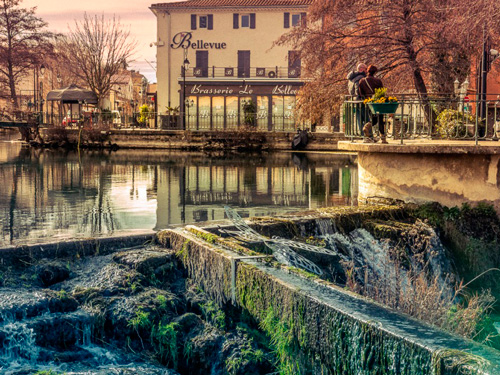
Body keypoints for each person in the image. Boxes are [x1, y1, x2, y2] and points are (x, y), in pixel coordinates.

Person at [359, 65, 388, 143]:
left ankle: (367, 126)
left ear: (367, 71)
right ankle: (383, 138)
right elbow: (382, 92)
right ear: (375, 72)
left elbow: (361, 93)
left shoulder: (362, 81)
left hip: (368, 102)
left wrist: (366, 99)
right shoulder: (378, 81)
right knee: (380, 119)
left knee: (373, 117)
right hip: (378, 101)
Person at [347, 63, 367, 134]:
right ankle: (366, 134)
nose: (366, 71)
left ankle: (361, 133)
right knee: (365, 117)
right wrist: (362, 96)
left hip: (355, 100)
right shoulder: (360, 77)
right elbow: (357, 90)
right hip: (361, 100)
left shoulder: (352, 78)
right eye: (365, 69)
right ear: (362, 69)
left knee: (359, 118)